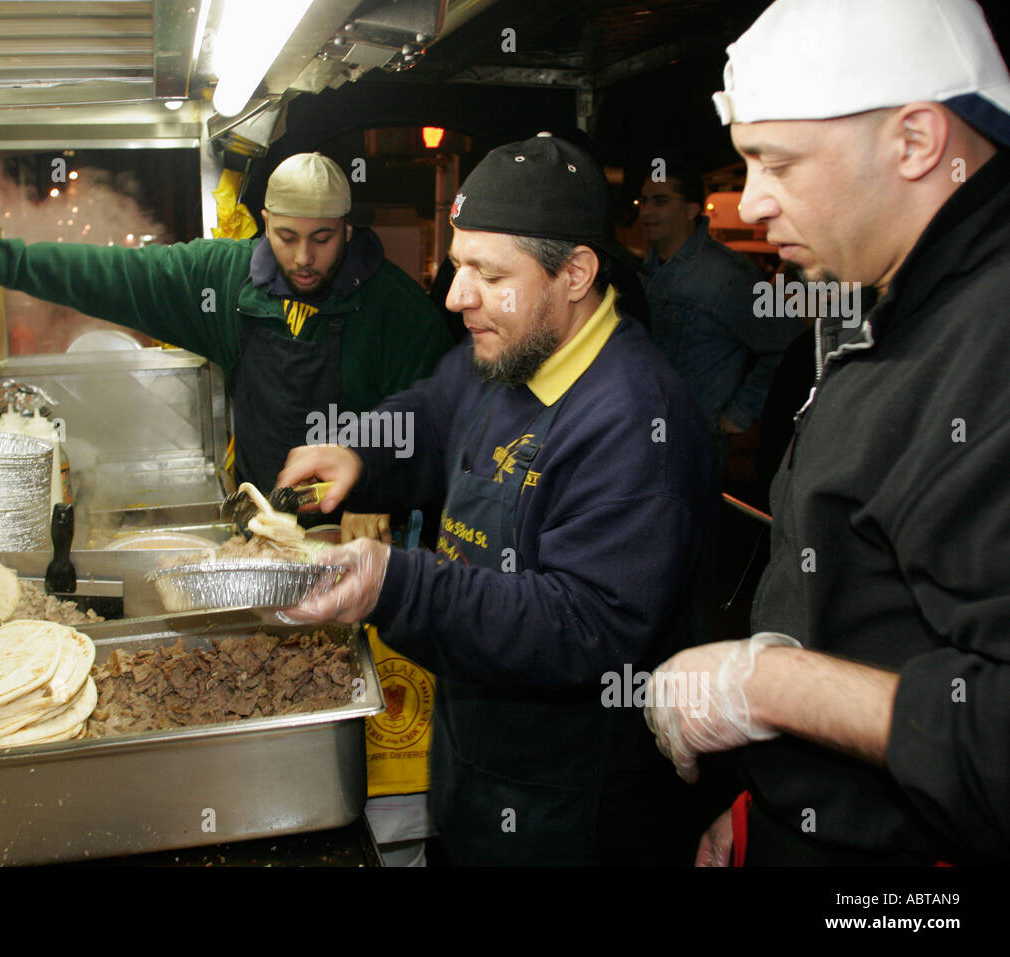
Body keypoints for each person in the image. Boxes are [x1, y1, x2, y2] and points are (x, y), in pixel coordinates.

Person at [278, 133, 719, 865]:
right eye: (458, 266)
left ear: (574, 272)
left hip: (571, 817)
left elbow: (579, 626)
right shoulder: (511, 349)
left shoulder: (638, 422)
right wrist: (361, 449)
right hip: (474, 778)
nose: (456, 298)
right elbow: (433, 411)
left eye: (487, 271)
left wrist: (395, 582)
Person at [643, 0, 1010, 866]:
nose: (751, 203)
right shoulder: (894, 293)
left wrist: (773, 684)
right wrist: (768, 817)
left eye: (776, 164)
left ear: (916, 142)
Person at [0, 152, 453, 538]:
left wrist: (384, 494)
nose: (303, 259)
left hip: (355, 542)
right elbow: (121, 274)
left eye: (322, 239)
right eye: (287, 236)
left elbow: (435, 432)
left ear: (347, 228)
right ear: (266, 222)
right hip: (260, 532)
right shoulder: (225, 283)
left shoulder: (399, 313)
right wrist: (5, 263)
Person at [638, 161, 803, 459]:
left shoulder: (730, 276)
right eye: (644, 201)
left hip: (694, 444)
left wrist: (739, 414)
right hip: (643, 434)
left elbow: (788, 345)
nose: (646, 212)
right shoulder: (643, 272)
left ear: (690, 210)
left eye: (660, 202)